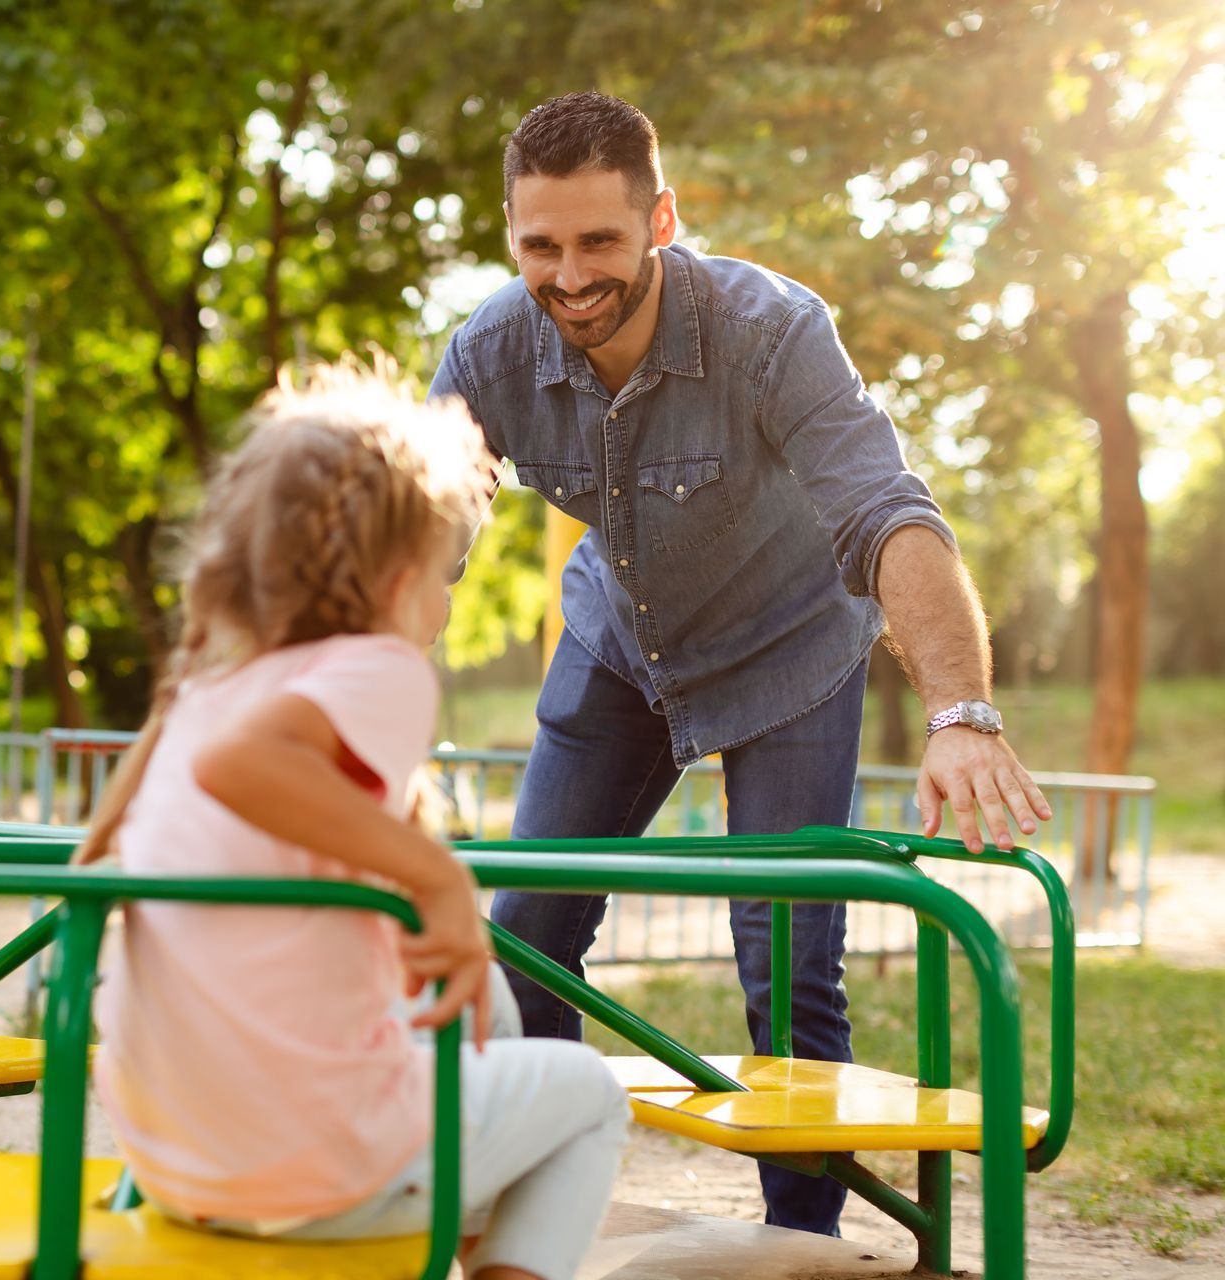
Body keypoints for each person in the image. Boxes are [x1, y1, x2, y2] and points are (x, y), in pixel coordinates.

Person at [427, 92, 1053, 1235]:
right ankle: (519, 1229)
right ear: (513, 237)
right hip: (622, 649)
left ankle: (799, 1245)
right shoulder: (490, 351)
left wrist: (961, 708)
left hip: (790, 654)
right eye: (540, 246)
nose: (570, 276)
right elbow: (413, 532)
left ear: (661, 218)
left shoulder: (771, 329)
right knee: (522, 936)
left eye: (600, 241)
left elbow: (888, 513)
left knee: (785, 959)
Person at [76, 360, 630, 1280]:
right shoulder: (373, 670)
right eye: (446, 564)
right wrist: (436, 876)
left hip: (175, 1159)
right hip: (311, 1166)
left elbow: (116, 843)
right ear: (398, 577)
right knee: (590, 1096)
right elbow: (242, 768)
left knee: (484, 1003)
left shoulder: (202, 691)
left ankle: (444, 1236)